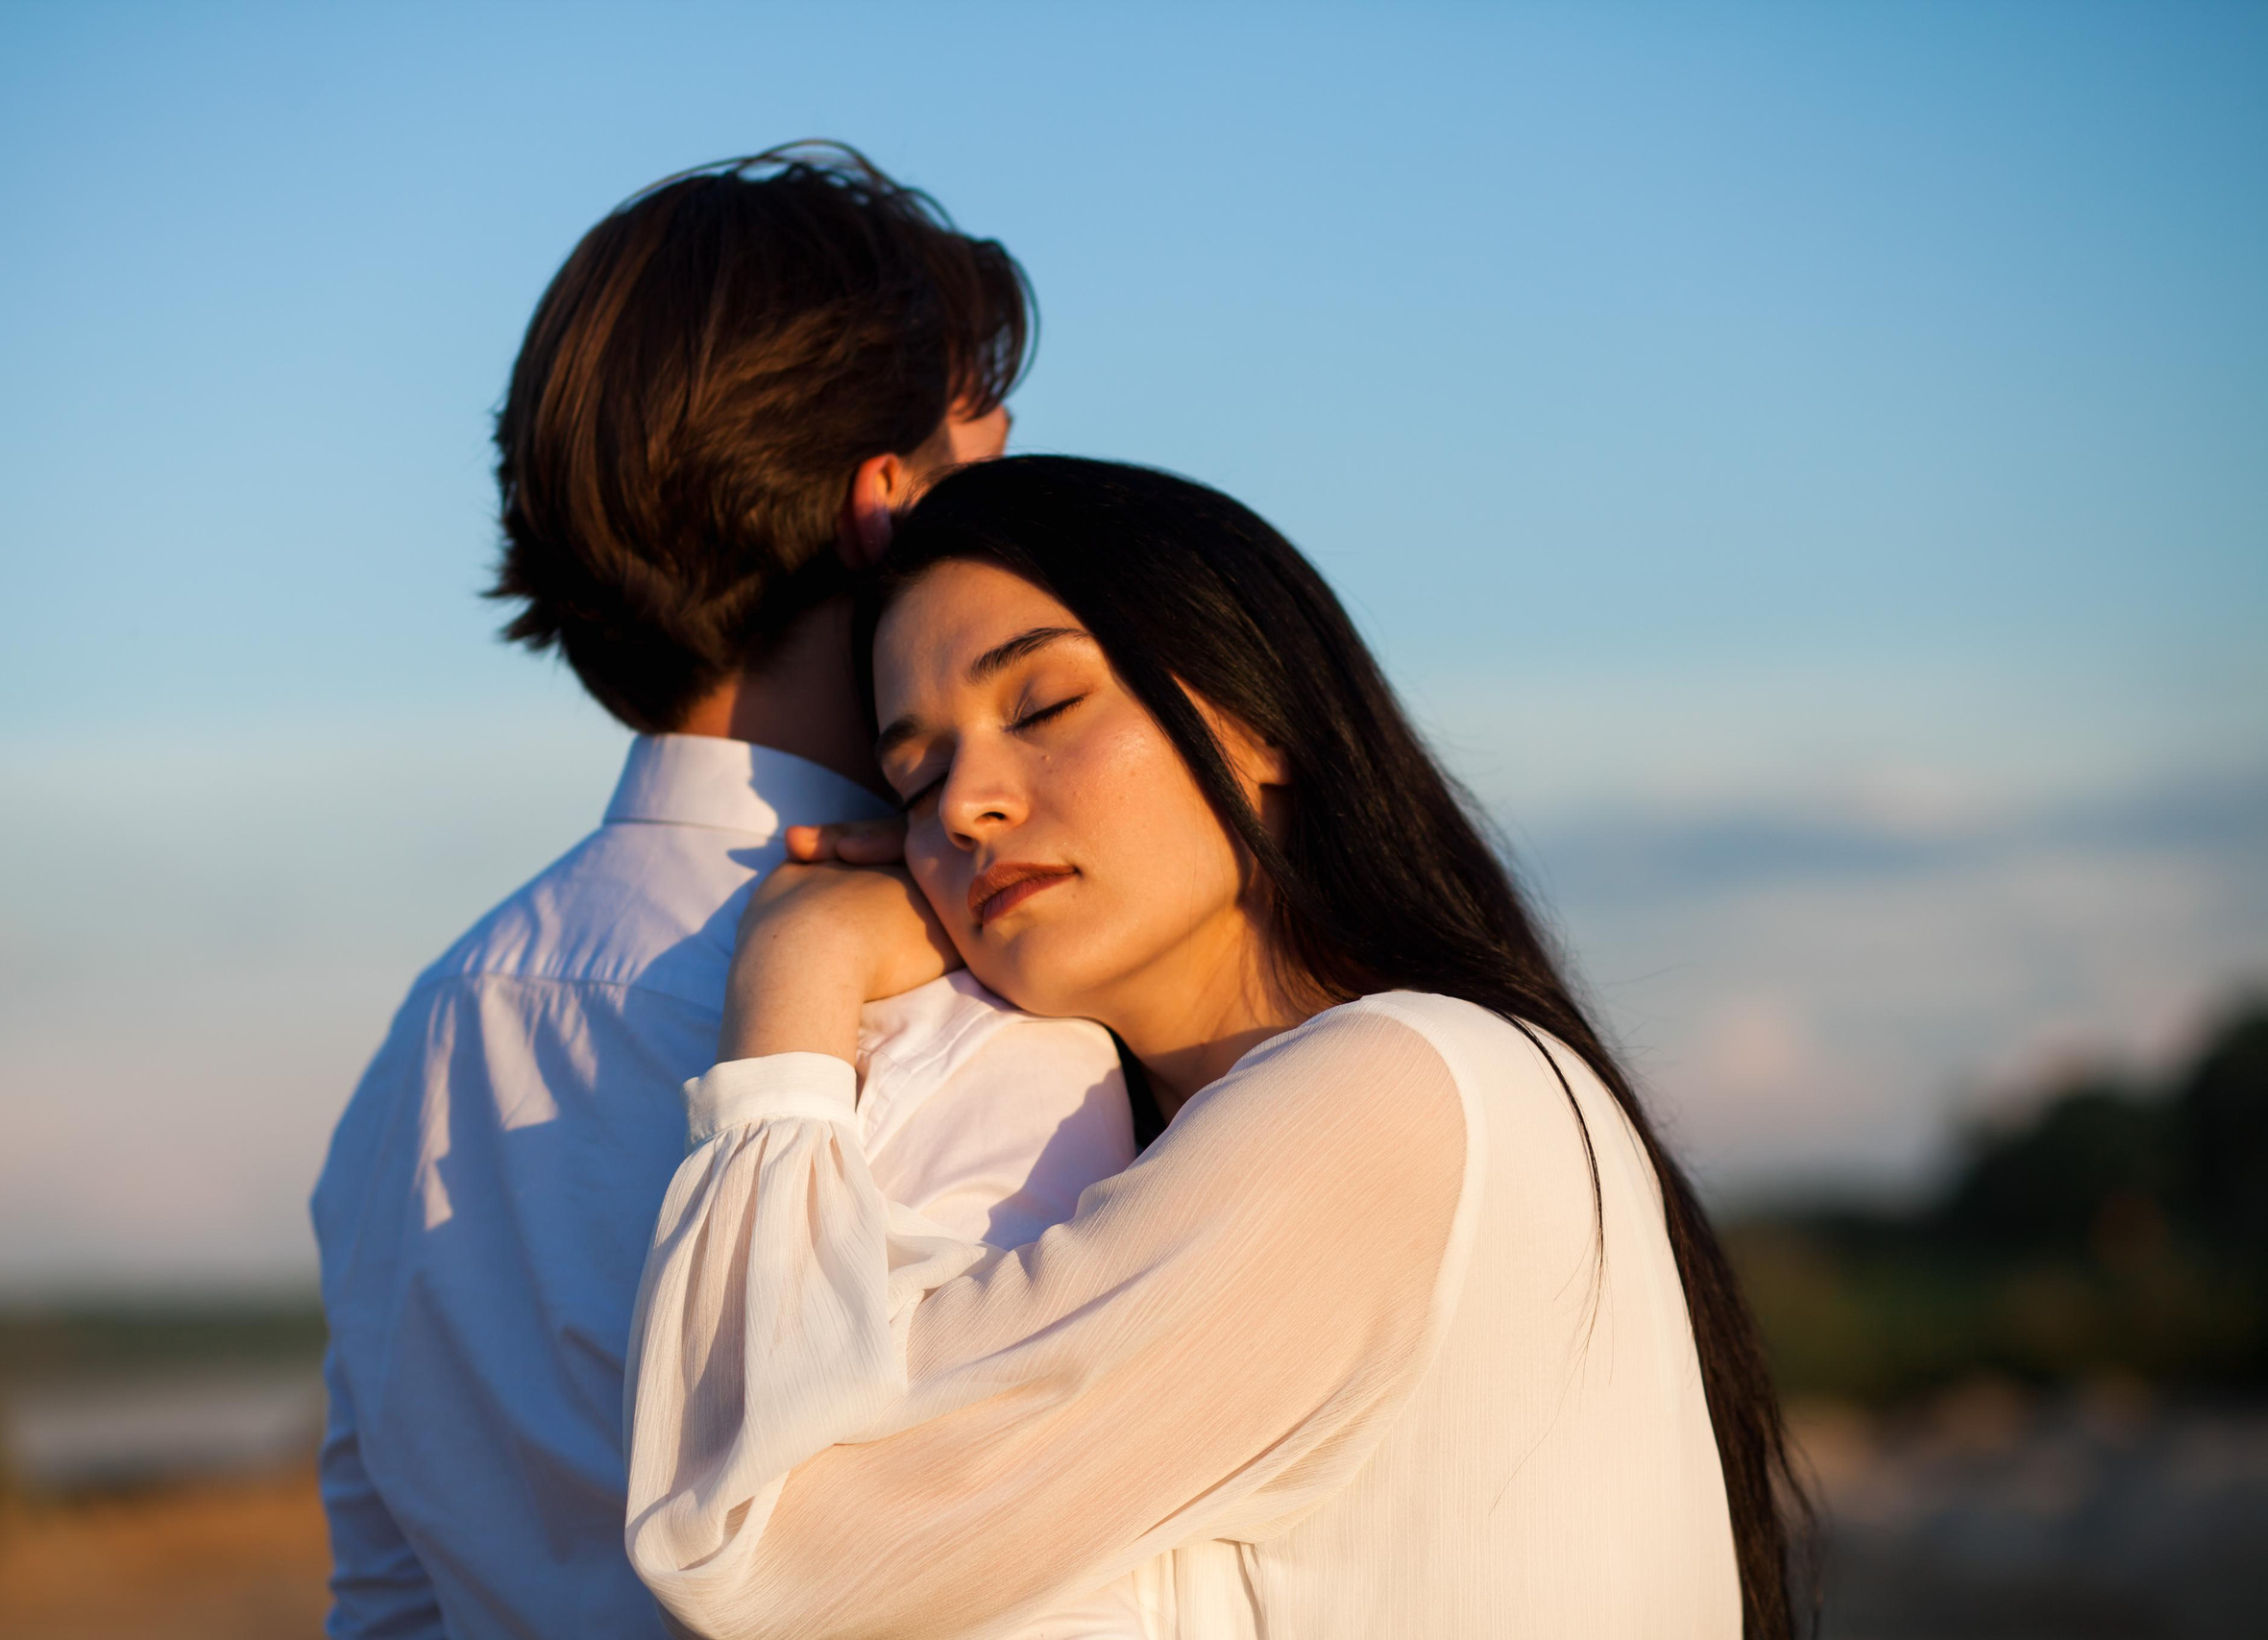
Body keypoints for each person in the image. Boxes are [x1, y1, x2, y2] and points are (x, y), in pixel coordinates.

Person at [626, 456, 1812, 1639]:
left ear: (1261, 720)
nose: (964, 803)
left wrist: (797, 977)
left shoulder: (1387, 1096)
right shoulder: (1429, 1086)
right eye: (914, 772)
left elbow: (761, 1557)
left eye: (1042, 708)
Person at [310, 149, 1144, 1640]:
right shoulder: (973, 1015)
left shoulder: (421, 1046)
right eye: (987, 449)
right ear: (888, 511)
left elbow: (387, 1601)